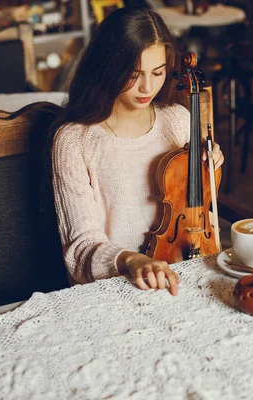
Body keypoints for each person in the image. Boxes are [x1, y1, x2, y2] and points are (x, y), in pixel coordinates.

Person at [50, 7, 224, 296]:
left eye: (158, 72)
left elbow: (198, 215)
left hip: (183, 275)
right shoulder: (74, 140)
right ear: (108, 68)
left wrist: (211, 165)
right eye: (133, 74)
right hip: (112, 290)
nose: (147, 87)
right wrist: (131, 260)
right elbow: (79, 251)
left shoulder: (178, 120)